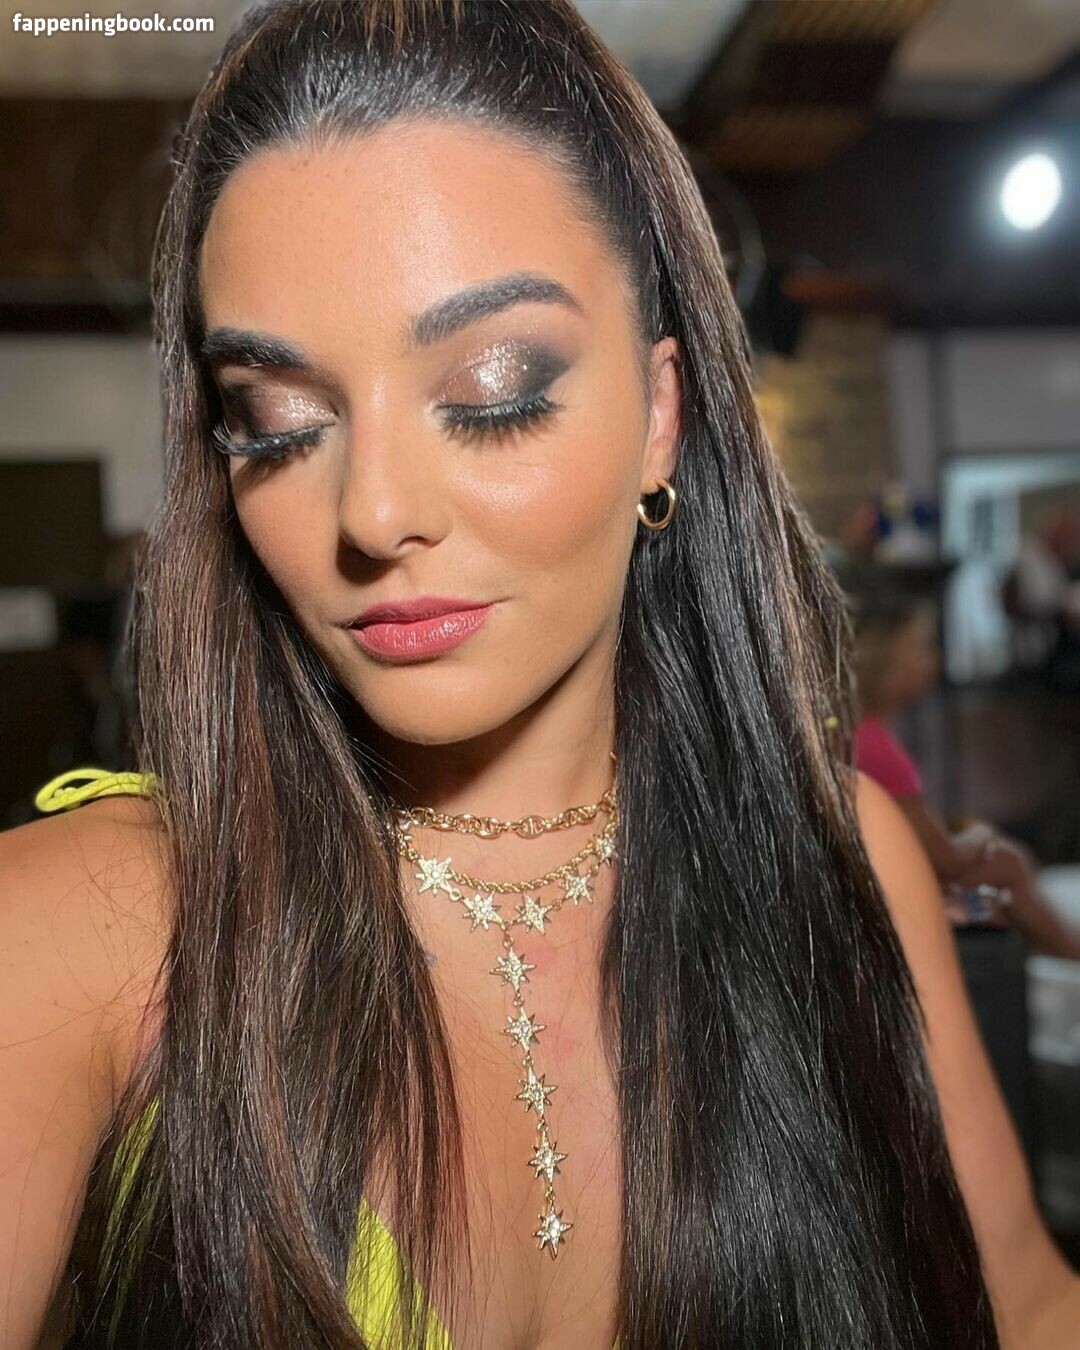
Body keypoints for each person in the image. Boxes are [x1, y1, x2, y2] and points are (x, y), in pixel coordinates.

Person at [2, 3, 1078, 1348]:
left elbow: (1029, 1307)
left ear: (662, 413)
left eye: (495, 389)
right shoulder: (80, 933)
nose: (373, 512)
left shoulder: (835, 858)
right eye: (275, 423)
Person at [850, 583, 1080, 961]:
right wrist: (982, 835)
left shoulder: (863, 733)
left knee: (1004, 886)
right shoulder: (878, 749)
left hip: (893, 885)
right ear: (886, 661)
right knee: (1007, 865)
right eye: (921, 648)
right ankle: (1068, 957)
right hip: (906, 898)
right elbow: (948, 861)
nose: (934, 660)